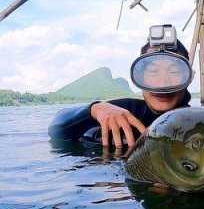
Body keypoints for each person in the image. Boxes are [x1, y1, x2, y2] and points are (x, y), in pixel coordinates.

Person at [48, 24, 193, 148]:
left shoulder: (199, 124)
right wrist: (94, 109)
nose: (162, 84)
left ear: (189, 77)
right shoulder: (123, 111)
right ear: (139, 76)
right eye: (153, 71)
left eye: (174, 71)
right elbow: (55, 129)